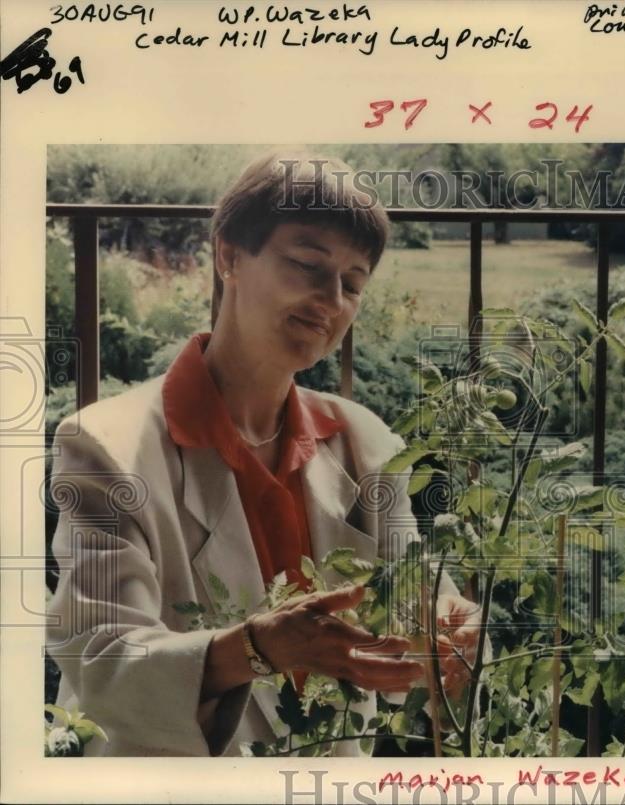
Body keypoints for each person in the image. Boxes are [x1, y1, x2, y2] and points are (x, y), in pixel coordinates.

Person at [46, 152, 481, 756]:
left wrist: (447, 622)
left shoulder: (365, 440)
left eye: (353, 284)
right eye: (306, 264)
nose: (331, 300)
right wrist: (256, 647)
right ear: (228, 256)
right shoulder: (105, 446)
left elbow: (413, 600)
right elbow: (98, 659)